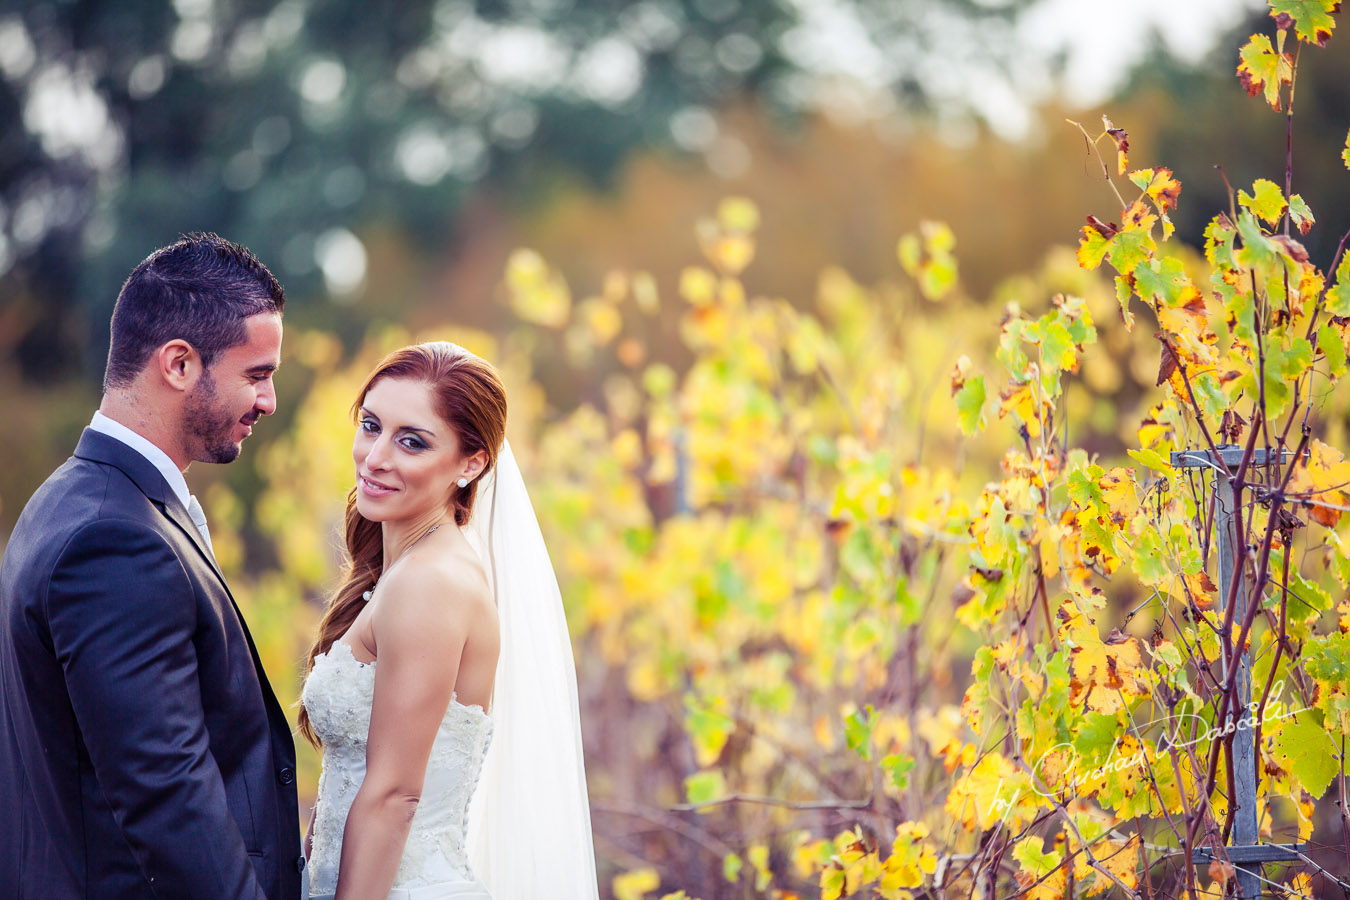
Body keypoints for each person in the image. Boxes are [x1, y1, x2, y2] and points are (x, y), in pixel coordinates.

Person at [0, 233, 303, 900]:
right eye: (257, 374)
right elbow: (169, 800)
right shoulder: (114, 541)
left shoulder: (68, 500)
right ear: (178, 364)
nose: (269, 402)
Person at [299, 342, 599, 900]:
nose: (376, 456)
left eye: (411, 441)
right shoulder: (407, 571)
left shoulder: (429, 583)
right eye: (371, 426)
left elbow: (393, 797)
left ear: (471, 463)